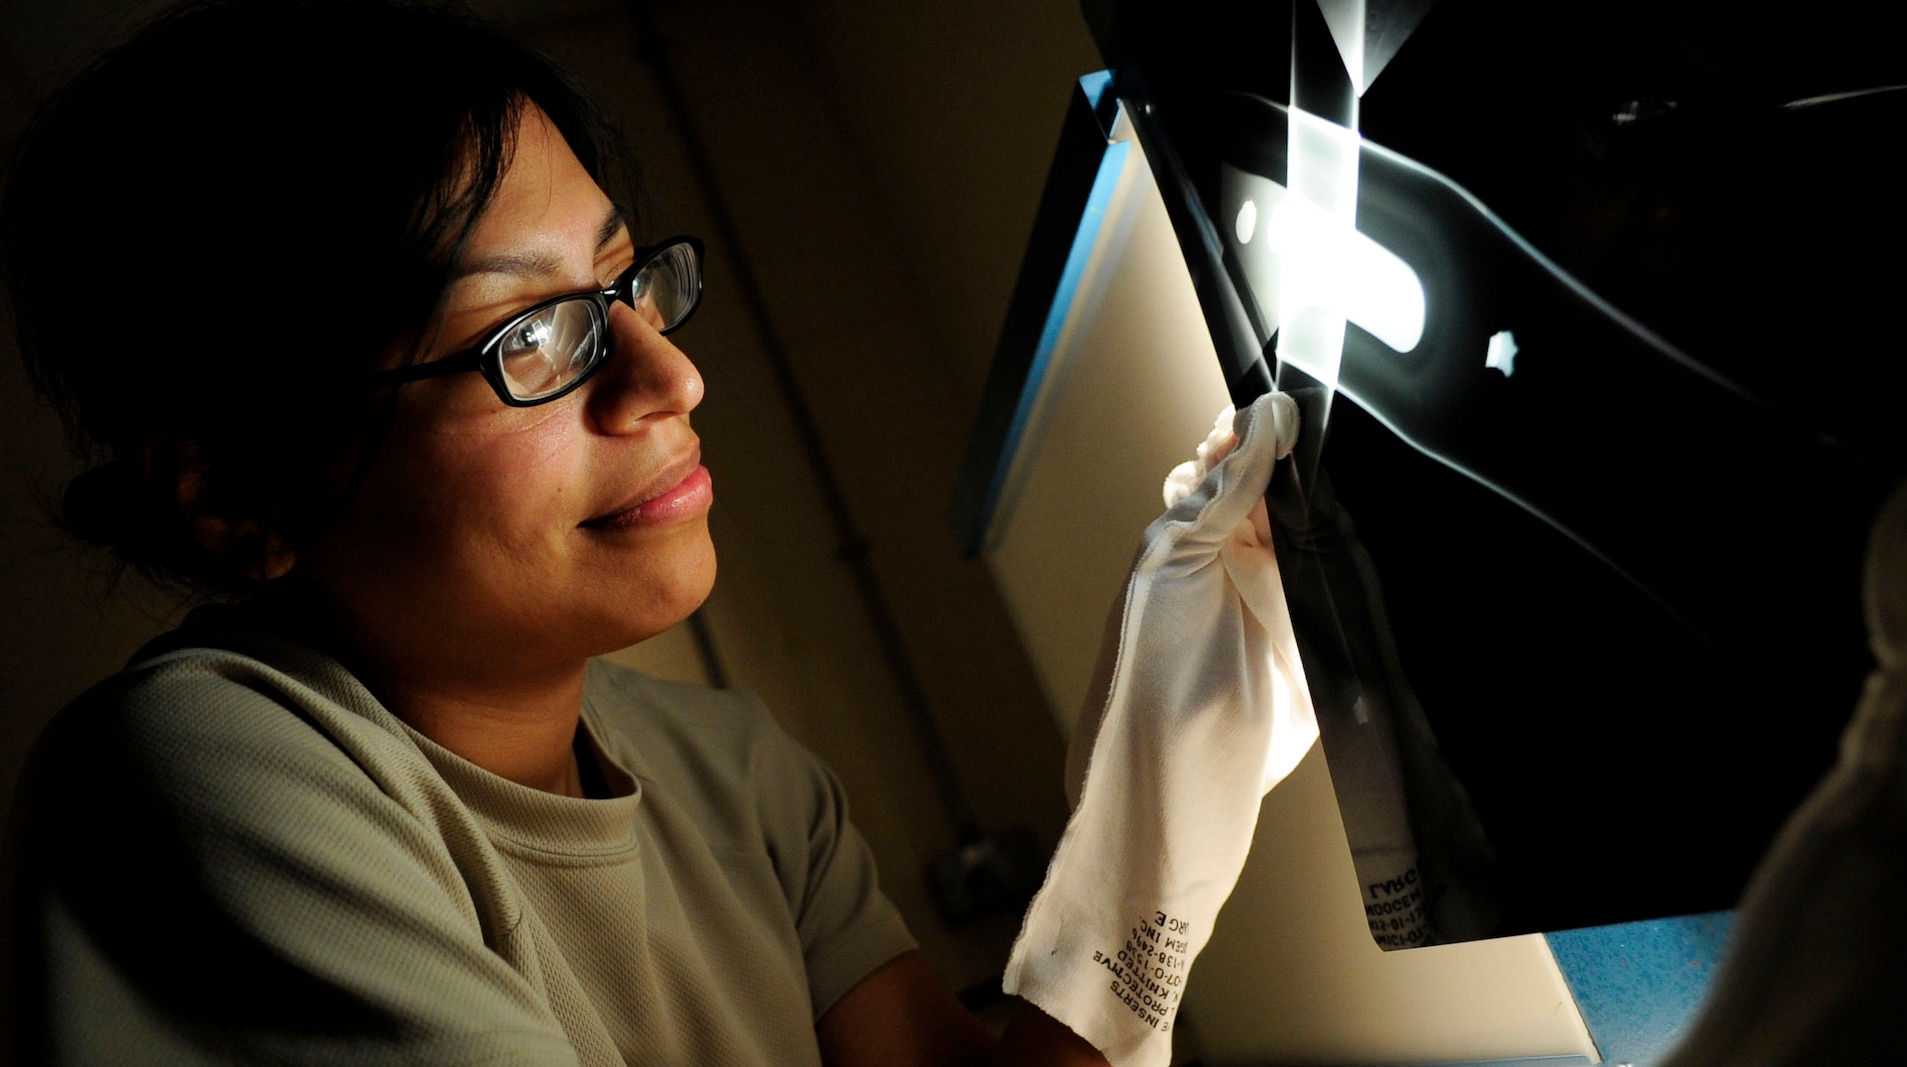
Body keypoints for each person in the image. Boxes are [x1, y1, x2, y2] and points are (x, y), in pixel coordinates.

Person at [1, 3, 1309, 1065]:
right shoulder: (203, 768)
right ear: (241, 498)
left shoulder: (731, 772)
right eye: (531, 337)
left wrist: (1162, 802)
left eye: (625, 289)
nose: (671, 381)